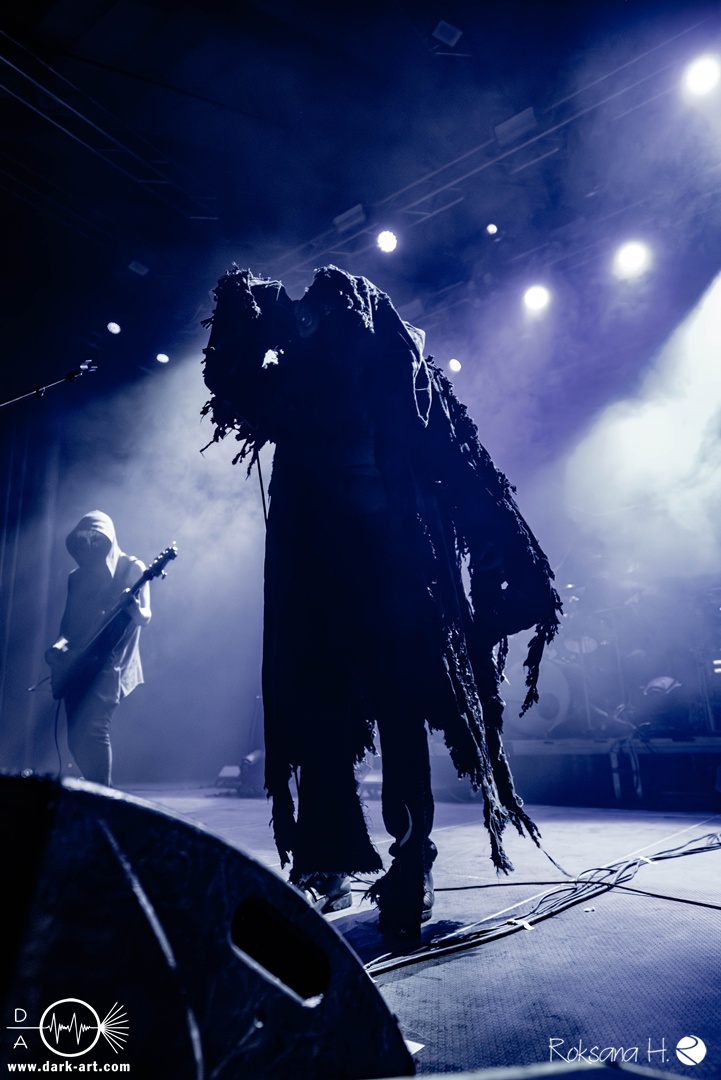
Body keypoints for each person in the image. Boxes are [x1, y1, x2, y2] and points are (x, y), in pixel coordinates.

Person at [202, 265, 561, 935]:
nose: (315, 322)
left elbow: (462, 464)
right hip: (322, 576)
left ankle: (412, 859)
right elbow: (235, 385)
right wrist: (242, 306)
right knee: (320, 714)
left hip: (397, 576)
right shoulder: (301, 385)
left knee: (400, 715)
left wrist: (506, 565)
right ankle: (327, 862)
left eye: (325, 314)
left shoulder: (399, 376)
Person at [45, 511, 151, 786]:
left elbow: (145, 617)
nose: (89, 545)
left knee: (94, 729)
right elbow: (67, 628)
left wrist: (133, 607)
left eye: (96, 539)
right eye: (83, 540)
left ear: (109, 539)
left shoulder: (131, 568)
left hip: (112, 663)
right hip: (79, 664)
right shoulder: (76, 577)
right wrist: (56, 648)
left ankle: (103, 791)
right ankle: (97, 786)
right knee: (75, 738)